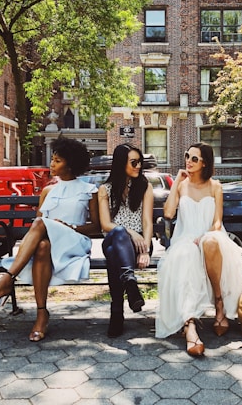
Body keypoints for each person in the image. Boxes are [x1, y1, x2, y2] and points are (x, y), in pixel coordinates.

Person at [0, 136, 100, 341]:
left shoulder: (89, 190)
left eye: (57, 160)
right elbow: (40, 229)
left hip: (74, 242)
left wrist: (70, 226)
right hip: (49, 243)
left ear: (70, 165)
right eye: (52, 159)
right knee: (42, 245)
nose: (51, 164)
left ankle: (7, 279)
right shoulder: (48, 191)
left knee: (40, 223)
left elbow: (96, 226)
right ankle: (41, 314)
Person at [156, 142, 242, 356]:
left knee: (210, 242)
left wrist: (205, 235)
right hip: (185, 239)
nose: (188, 161)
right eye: (188, 156)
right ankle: (190, 325)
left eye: (194, 158)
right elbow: (168, 214)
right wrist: (177, 179)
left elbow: (217, 222)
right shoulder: (182, 185)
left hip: (210, 235)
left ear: (205, 163)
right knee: (187, 255)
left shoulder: (215, 186)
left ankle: (219, 304)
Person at [98, 143, 154, 338]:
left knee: (115, 255)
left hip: (139, 245)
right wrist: (131, 232)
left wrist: (145, 249)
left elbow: (147, 221)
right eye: (134, 162)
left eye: (140, 162)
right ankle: (129, 281)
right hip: (115, 238)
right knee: (119, 235)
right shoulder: (105, 189)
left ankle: (117, 312)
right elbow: (106, 224)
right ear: (121, 164)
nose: (138, 166)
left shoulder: (145, 187)